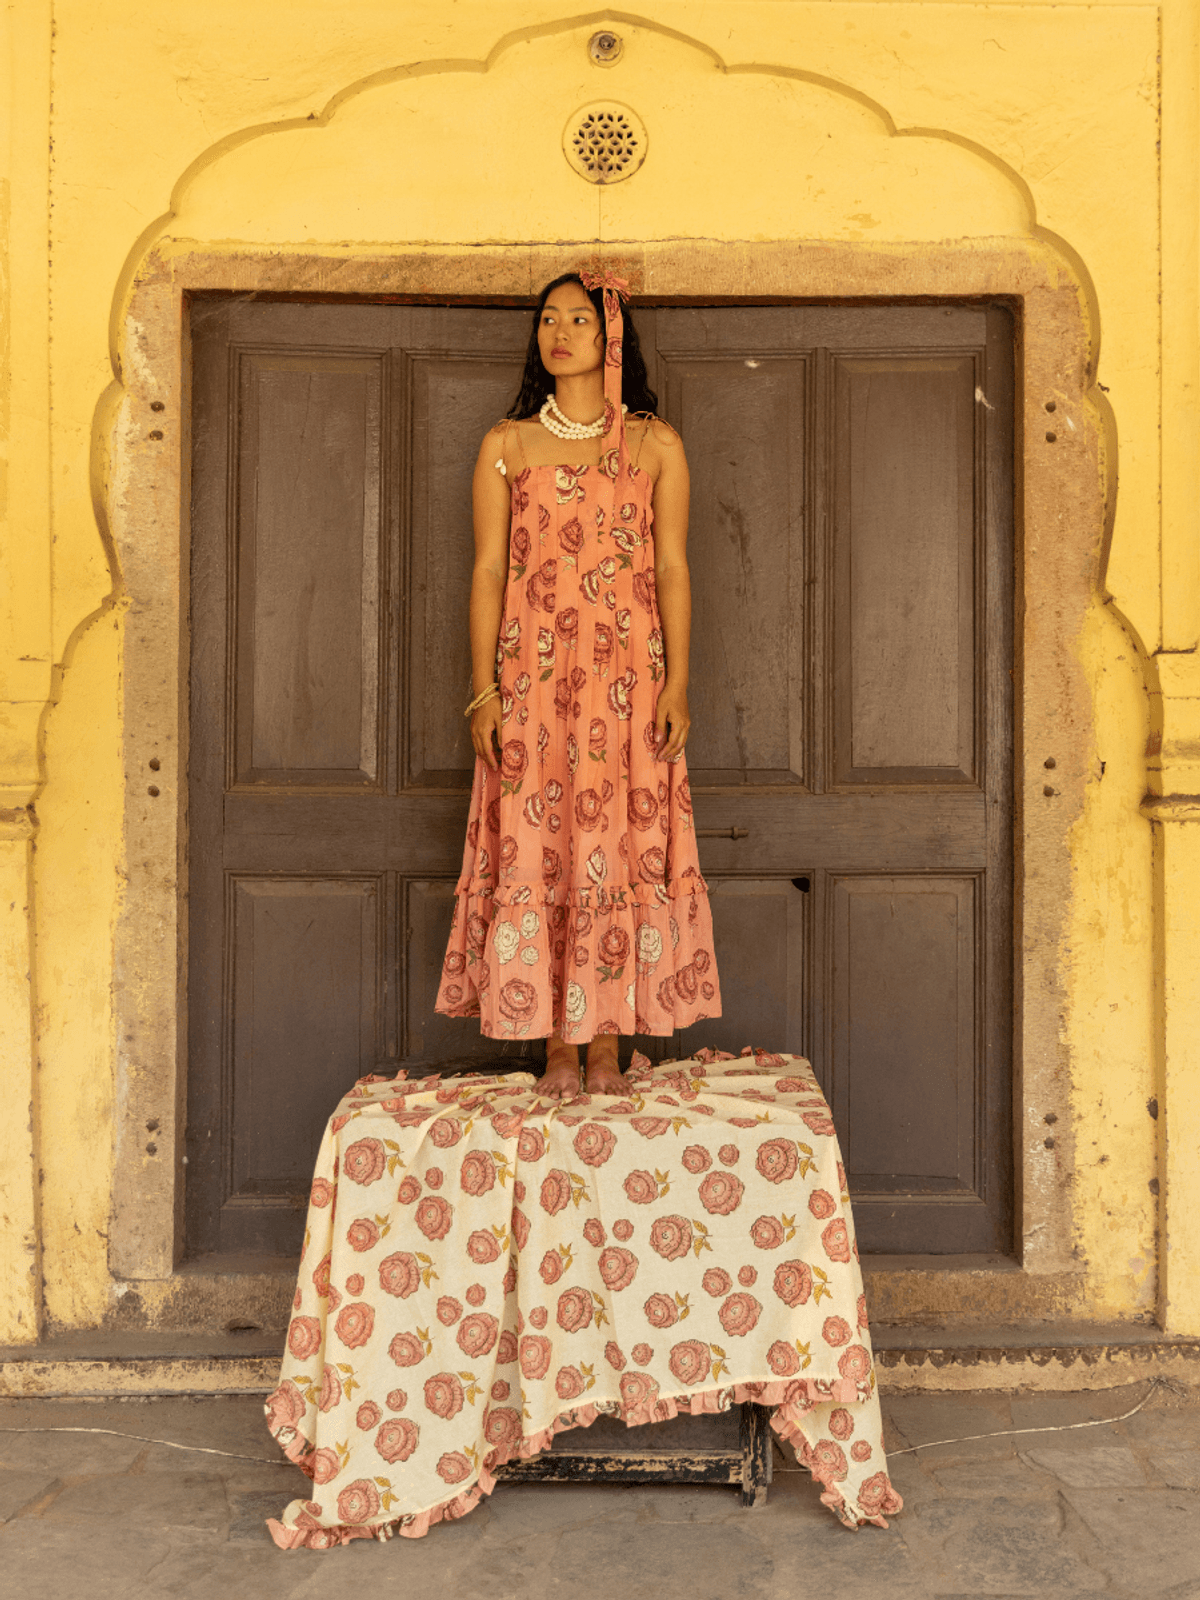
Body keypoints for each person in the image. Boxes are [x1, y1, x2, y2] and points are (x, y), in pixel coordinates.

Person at [435, 268, 721, 1098]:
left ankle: (606, 1038)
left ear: (611, 337)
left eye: (579, 320)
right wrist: (484, 691)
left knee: (621, 846)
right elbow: (489, 570)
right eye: (548, 319)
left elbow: (672, 567)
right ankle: (556, 1041)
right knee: (543, 844)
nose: (559, 332)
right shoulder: (506, 445)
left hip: (630, 686)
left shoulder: (654, 445)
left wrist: (679, 685)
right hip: (535, 685)